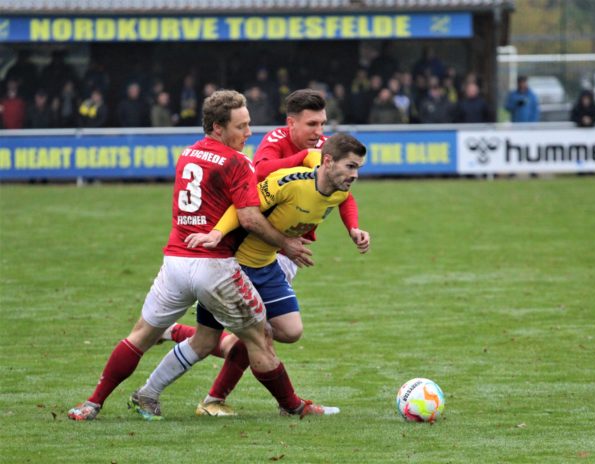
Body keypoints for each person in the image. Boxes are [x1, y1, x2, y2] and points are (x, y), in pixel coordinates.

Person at [67, 89, 318, 421]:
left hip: (175, 261)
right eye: (241, 126)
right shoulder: (237, 161)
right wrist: (285, 243)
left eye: (249, 124)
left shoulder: (188, 153)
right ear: (217, 127)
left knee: (143, 335)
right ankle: (294, 407)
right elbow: (249, 218)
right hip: (214, 267)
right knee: (260, 338)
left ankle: (94, 403)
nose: (249, 133)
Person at [135, 133, 368, 418]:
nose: (355, 174)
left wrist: (354, 229)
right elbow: (244, 208)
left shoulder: (339, 187)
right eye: (351, 167)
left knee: (289, 331)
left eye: (358, 168)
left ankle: (176, 335)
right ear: (328, 162)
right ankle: (161, 393)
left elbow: (346, 200)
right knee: (231, 340)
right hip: (234, 267)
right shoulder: (290, 182)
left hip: (267, 265)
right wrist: (217, 233)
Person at [252, 89, 370, 263]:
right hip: (259, 235)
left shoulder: (326, 146)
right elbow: (261, 171)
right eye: (312, 124)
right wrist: (304, 155)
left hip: (292, 242)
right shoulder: (277, 138)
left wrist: (353, 228)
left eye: (322, 124)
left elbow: (344, 195)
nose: (319, 131)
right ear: (291, 123)